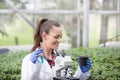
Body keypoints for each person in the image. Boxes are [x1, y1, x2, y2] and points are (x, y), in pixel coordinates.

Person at [21, 18, 91, 80]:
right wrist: (33, 66)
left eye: (61, 37)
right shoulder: (30, 60)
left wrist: (82, 73)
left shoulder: (61, 58)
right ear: (44, 36)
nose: (60, 40)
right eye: (56, 37)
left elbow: (68, 77)